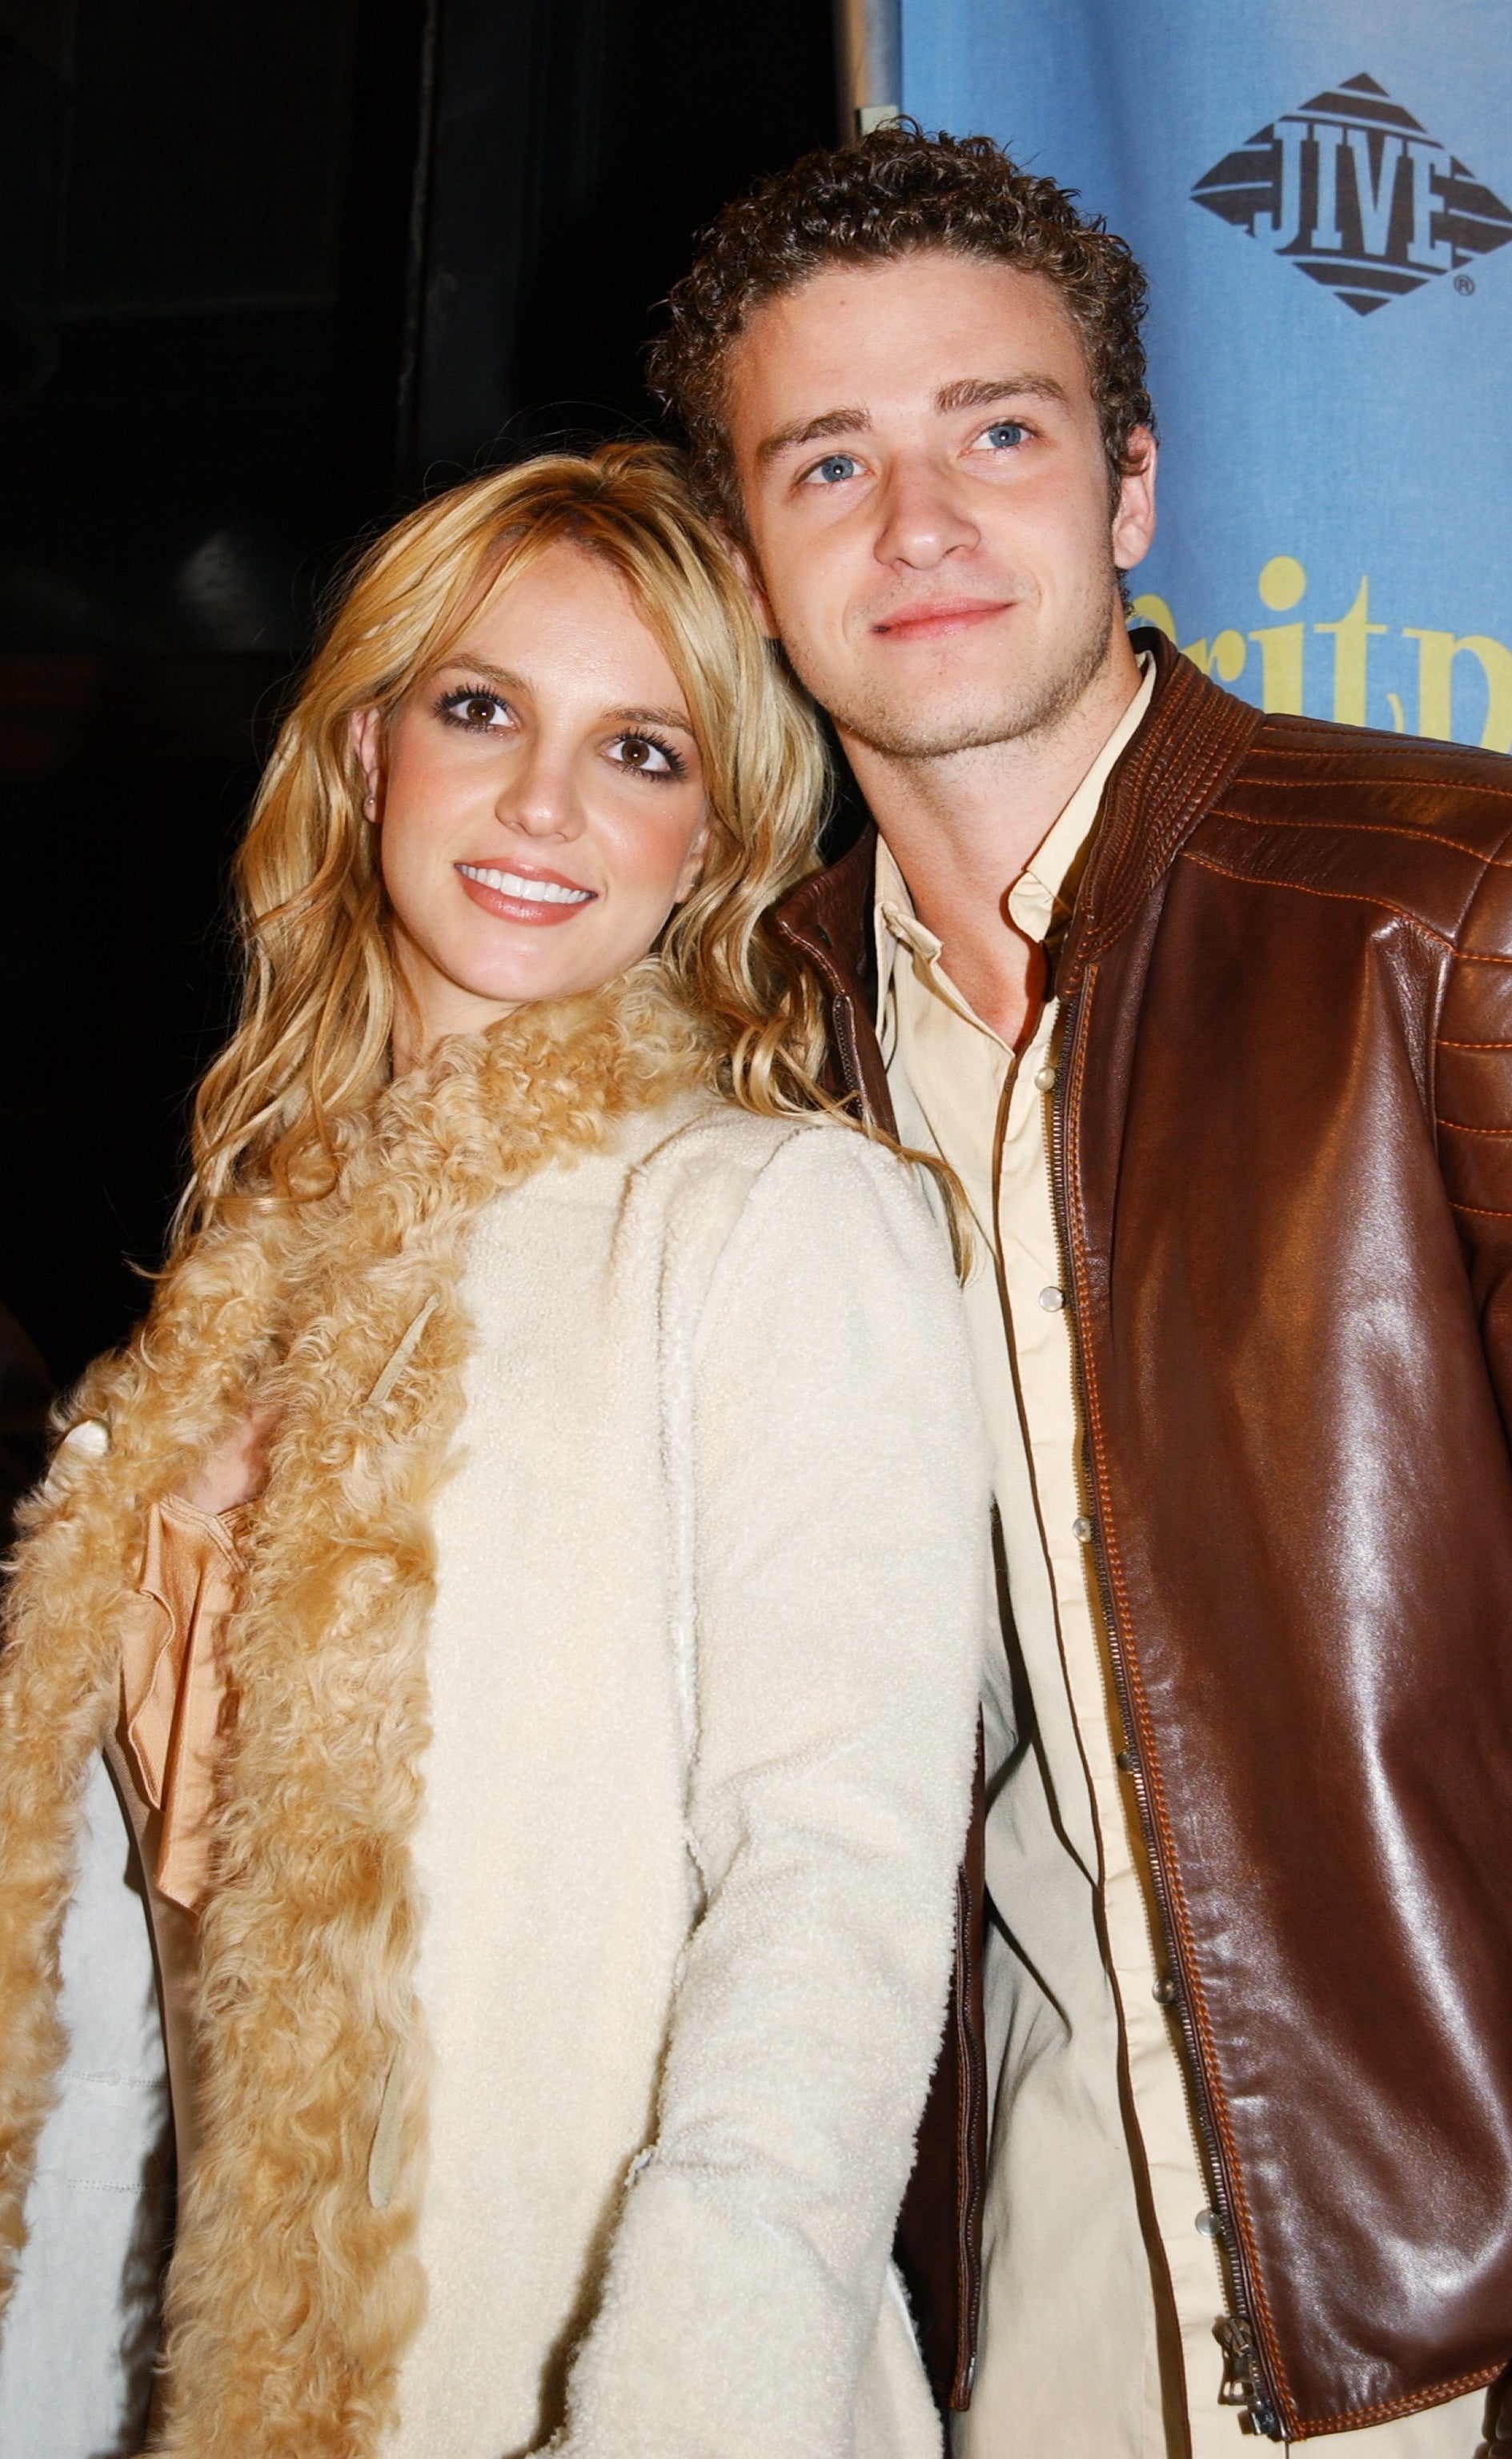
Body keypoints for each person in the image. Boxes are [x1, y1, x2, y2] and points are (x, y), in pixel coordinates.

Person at [648, 123, 1512, 2459]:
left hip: (1450, 2304)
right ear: (744, 561)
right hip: (1032, 2300)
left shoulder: (1450, 915)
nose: (920, 525)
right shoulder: (748, 1068)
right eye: (831, 463)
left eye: (999, 434)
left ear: (1132, 488)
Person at [0, 441, 991, 2459]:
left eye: (640, 751)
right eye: (480, 709)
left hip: (589, 2393)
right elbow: (125, 2006)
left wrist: (681, 2408)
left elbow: (837, 1895)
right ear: (370, 749)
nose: (547, 804)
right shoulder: (226, 1299)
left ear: (710, 839)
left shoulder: (764, 1221)